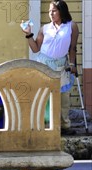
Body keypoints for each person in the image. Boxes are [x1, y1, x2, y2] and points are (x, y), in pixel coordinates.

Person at [22, 0, 79, 132]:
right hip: (44, 64)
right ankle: (44, 124)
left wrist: (72, 64)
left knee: (63, 96)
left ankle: (64, 125)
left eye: (54, 10)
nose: (51, 13)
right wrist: (28, 34)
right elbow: (35, 48)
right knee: (44, 94)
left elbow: (72, 47)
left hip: (60, 65)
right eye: (49, 11)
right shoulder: (45, 28)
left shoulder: (71, 26)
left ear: (62, 11)